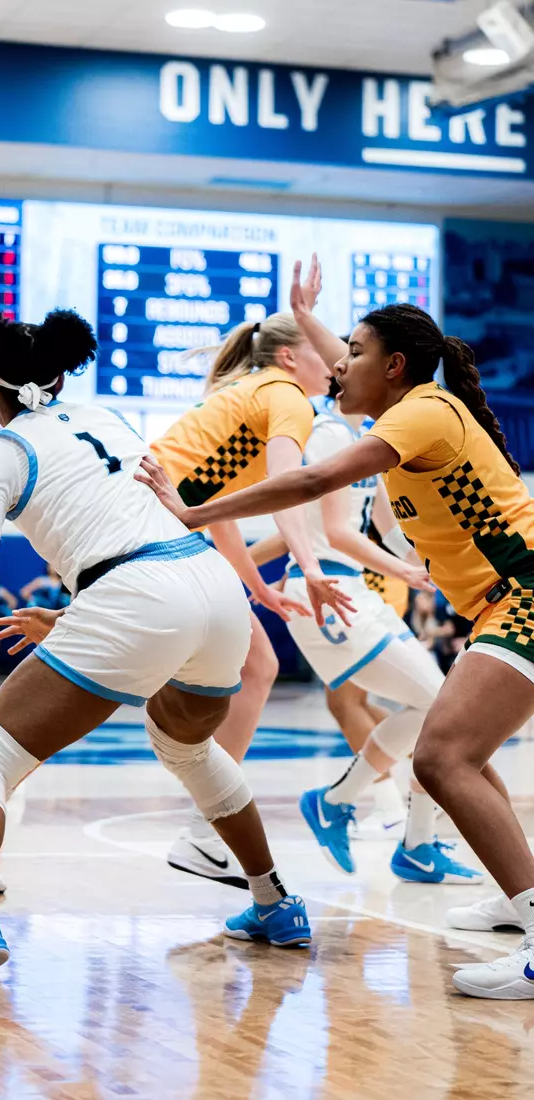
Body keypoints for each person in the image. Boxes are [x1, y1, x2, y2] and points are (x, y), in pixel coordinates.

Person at [0, 307, 326, 997]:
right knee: (187, 746)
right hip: (213, 590)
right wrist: (79, 614)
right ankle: (274, 902)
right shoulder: (106, 416)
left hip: (136, 596)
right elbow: (147, 523)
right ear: (59, 377)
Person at [137, 261, 534, 1000]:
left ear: (395, 366)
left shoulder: (420, 412)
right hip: (502, 606)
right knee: (464, 755)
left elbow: (314, 481)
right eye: (335, 348)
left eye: (352, 351)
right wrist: (304, 313)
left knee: (442, 755)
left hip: (528, 597)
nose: (338, 364)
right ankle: (523, 901)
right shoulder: (404, 400)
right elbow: (353, 370)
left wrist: (196, 512)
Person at [147, 293, 354, 887]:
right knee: (247, 665)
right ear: (291, 357)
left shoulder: (253, 395)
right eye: (327, 350)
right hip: (144, 527)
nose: (338, 363)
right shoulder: (287, 397)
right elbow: (291, 485)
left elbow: (220, 512)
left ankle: (203, 834)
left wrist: (257, 588)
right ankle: (202, 830)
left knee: (256, 663)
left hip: (154, 525)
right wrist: (310, 566)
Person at [252, 376, 480, 884]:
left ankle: (411, 839)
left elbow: (390, 528)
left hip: (352, 588)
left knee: (436, 709)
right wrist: (407, 572)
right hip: (330, 593)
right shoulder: (329, 432)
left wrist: (436, 560)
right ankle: (350, 806)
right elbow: (332, 533)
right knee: (434, 706)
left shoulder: (370, 440)